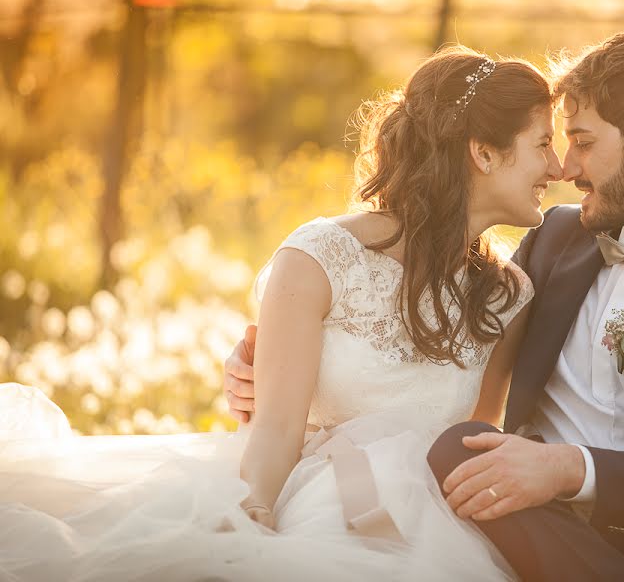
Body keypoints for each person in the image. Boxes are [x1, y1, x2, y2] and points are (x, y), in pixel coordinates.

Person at [227, 32, 624, 581]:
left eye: (581, 141)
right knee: (460, 450)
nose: (565, 167)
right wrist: (272, 362)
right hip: (531, 525)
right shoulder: (553, 242)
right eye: (555, 144)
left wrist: (567, 469)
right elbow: (430, 319)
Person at [0, 46, 562, 581]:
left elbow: (475, 437)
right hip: (310, 492)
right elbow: (275, 427)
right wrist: (255, 514)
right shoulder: (321, 256)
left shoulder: (507, 295)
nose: (558, 166)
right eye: (543, 144)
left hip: (438, 525)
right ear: (483, 153)